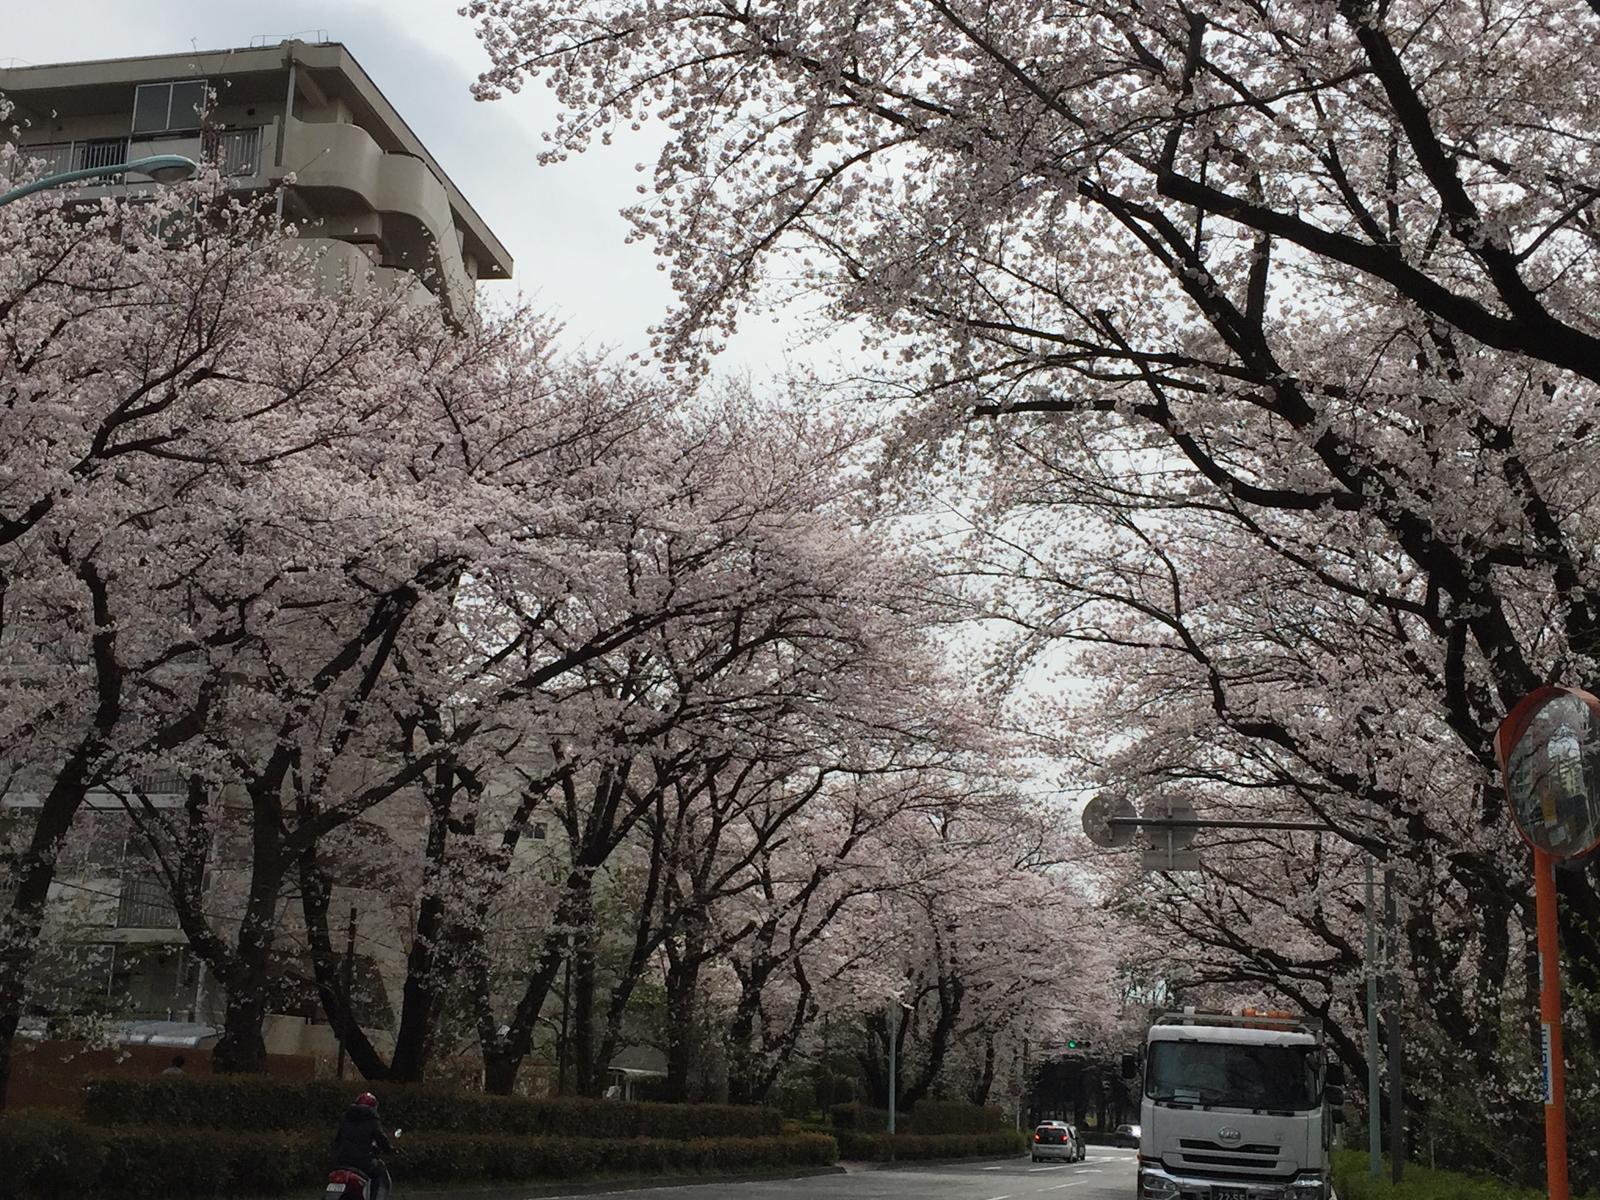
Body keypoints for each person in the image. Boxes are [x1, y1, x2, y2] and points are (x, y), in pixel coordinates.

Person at [332, 1092, 391, 1200]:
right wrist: (388, 1149)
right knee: (379, 1172)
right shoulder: (372, 1119)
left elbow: (337, 1141)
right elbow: (380, 1138)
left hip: (342, 1161)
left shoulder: (347, 1118)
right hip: (362, 1162)